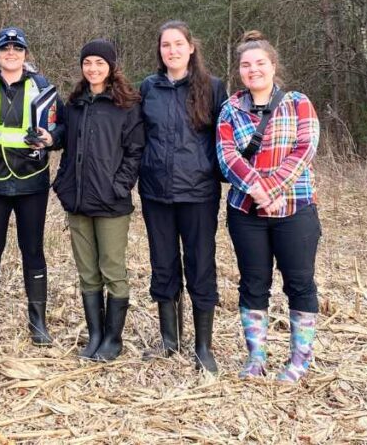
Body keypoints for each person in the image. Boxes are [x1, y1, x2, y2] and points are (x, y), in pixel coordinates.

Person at [217, 30, 322, 382]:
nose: (253, 70)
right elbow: (226, 156)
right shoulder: (230, 108)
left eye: (260, 63)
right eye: (246, 65)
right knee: (252, 283)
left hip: (295, 208)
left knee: (300, 282)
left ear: (273, 66)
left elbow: (305, 148)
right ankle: (256, 358)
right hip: (246, 212)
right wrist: (258, 191)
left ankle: (299, 361)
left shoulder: (298, 102)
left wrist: (275, 187)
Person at [0, 27, 66, 345]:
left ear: (25, 54)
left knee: (33, 252)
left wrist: (52, 139)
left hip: (31, 183)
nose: (11, 53)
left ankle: (38, 325)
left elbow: (62, 127)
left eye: (17, 48)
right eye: (5, 48)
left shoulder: (43, 87)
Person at [138, 21, 228, 373]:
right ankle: (169, 340)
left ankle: (203, 346)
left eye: (178, 44)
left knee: (200, 265)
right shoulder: (149, 88)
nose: (172, 50)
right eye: (165, 45)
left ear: (191, 47)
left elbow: (226, 138)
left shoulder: (213, 87)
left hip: (199, 193)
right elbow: (135, 135)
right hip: (156, 192)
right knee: (163, 264)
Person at [51, 39, 144, 361]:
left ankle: (113, 340)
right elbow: (66, 145)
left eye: (99, 63)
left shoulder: (127, 104)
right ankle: (95, 336)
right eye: (87, 62)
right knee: (87, 272)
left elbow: (134, 152)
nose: (92, 68)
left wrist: (119, 187)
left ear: (111, 66)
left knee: (112, 270)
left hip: (111, 203)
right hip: (77, 200)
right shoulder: (75, 103)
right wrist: (62, 184)